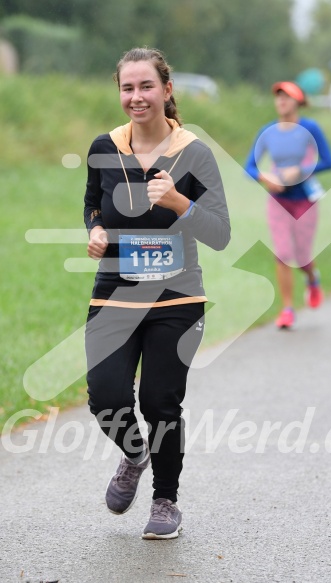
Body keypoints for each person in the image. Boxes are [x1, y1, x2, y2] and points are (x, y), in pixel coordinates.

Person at [84, 47, 230, 539]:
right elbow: (92, 205)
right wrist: (96, 229)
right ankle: (133, 454)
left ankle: (165, 500)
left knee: (159, 402)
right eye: (127, 87)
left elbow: (220, 233)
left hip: (177, 298)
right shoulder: (104, 147)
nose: (136, 97)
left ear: (167, 90)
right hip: (114, 294)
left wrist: (178, 202)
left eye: (146, 86)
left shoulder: (195, 152)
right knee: (105, 397)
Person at [244, 81, 331, 329]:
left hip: (305, 199)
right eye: (278, 97)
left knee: (303, 257)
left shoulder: (310, 128)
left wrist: (301, 170)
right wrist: (266, 177)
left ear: (298, 102)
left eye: (287, 97)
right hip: (278, 200)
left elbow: (328, 161)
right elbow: (248, 167)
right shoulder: (267, 131)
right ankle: (287, 309)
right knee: (283, 254)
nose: (281, 101)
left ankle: (313, 278)